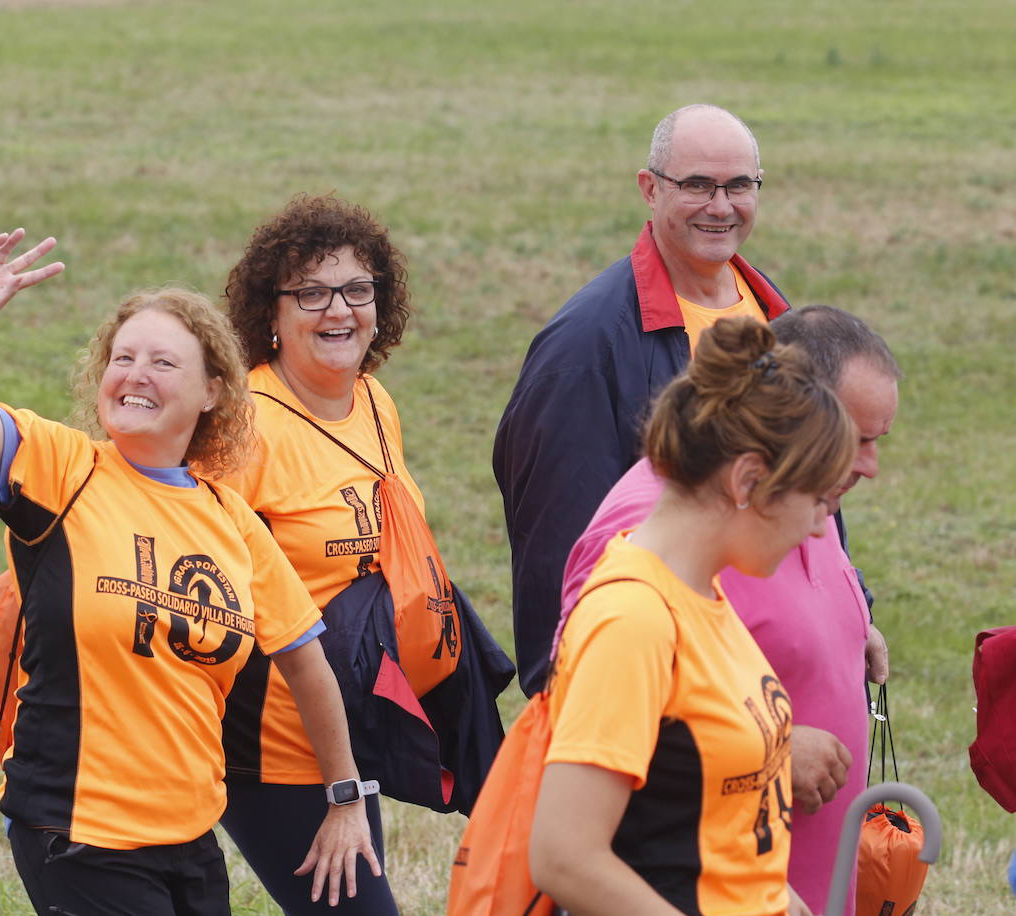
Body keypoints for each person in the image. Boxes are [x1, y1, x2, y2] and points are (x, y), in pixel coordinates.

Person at [0, 229, 379, 915]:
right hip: (77, 833)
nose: (135, 374)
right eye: (122, 357)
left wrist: (344, 796)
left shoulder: (231, 520)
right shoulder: (64, 470)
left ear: (210, 392)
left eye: (163, 362)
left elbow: (304, 658)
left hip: (190, 836)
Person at [218, 194, 512, 914]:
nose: (338, 311)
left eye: (356, 290)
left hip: (355, 730)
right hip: (278, 748)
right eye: (311, 294)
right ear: (272, 316)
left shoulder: (375, 402)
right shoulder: (244, 427)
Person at [558, 306, 901, 915]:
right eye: (816, 500)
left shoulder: (705, 595)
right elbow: (566, 854)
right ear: (748, 481)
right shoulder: (635, 611)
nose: (825, 526)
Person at [494, 104, 791, 696]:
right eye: (697, 185)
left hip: (768, 659)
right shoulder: (586, 346)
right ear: (649, 189)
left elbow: (810, 481)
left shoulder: (772, 312)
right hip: (667, 676)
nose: (720, 205)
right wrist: (575, 686)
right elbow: (562, 542)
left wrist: (849, 603)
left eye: (738, 185)